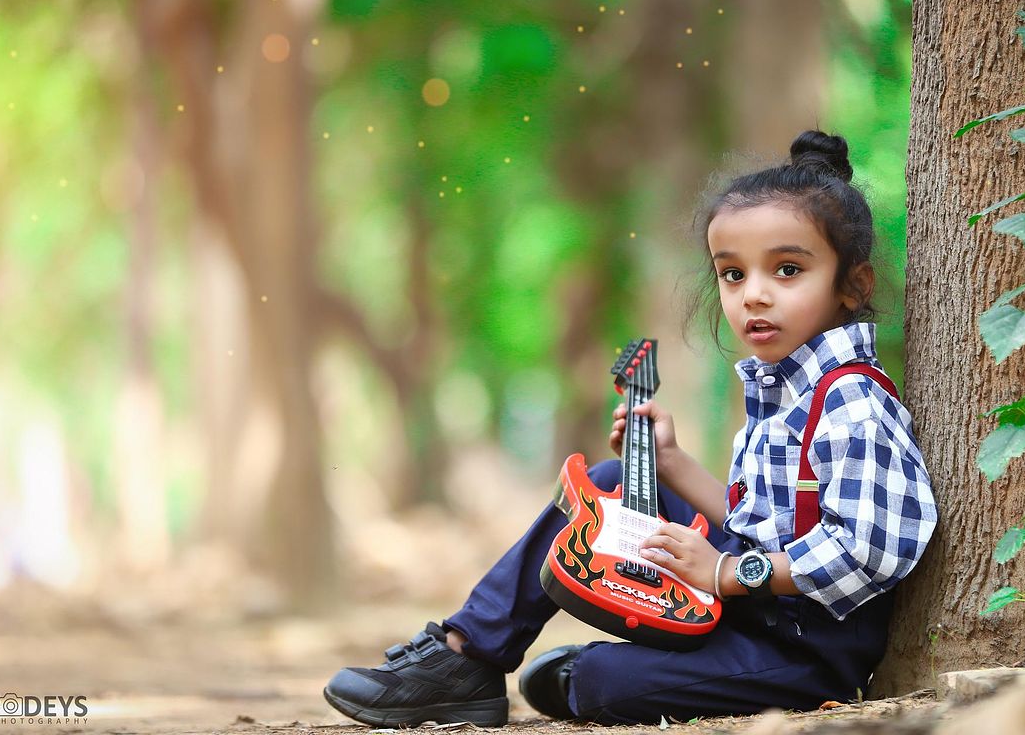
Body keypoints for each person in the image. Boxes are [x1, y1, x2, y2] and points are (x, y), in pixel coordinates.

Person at [322, 130, 939, 727]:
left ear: (852, 286)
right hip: (750, 605)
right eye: (732, 273)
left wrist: (727, 574)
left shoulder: (852, 400)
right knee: (612, 482)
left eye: (786, 271)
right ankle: (466, 655)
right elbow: (756, 520)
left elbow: (870, 548)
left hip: (806, 650)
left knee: (597, 684)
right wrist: (672, 464)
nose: (753, 296)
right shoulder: (780, 392)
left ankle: (599, 672)